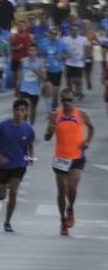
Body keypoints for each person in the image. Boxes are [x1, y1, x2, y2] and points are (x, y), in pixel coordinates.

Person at [44, 88, 93, 236]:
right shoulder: (55, 116)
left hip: (77, 157)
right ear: (60, 100)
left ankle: (70, 207)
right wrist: (51, 129)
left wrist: (88, 141)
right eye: (64, 100)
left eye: (69, 100)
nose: (66, 103)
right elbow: (46, 137)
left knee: (72, 187)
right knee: (61, 191)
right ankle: (62, 220)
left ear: (73, 100)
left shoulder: (81, 115)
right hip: (61, 158)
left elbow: (91, 128)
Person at [0, 98, 36, 233]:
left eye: (22, 110)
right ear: (13, 111)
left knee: (14, 192)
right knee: (1, 196)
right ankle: (5, 185)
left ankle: (7, 221)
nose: (19, 113)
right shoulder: (3, 126)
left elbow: (30, 145)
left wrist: (31, 158)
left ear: (26, 112)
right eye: (17, 110)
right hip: (2, 164)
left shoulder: (28, 129)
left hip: (19, 164)